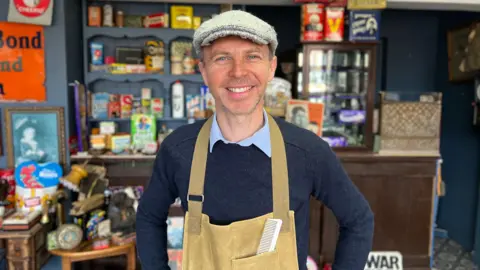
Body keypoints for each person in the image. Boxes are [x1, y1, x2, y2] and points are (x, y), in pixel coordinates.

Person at [136, 10, 374, 270]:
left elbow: (358, 219)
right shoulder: (178, 150)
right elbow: (149, 216)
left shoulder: (308, 151)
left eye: (252, 56)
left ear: (271, 68)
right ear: (203, 71)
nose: (238, 72)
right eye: (222, 58)